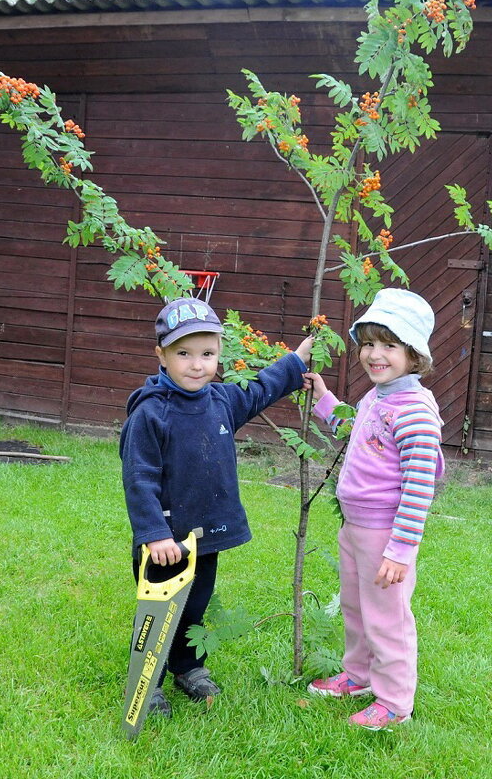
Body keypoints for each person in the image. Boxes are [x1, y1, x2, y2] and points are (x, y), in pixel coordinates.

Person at [120, 296, 312, 718]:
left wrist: (295, 362)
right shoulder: (151, 414)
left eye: (207, 354)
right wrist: (154, 535)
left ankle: (188, 667)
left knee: (196, 605)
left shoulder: (222, 399)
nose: (196, 364)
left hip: (204, 535)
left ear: (219, 354)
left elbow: (260, 390)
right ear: (162, 356)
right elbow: (139, 478)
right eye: (183, 354)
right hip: (165, 541)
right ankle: (146, 681)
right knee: (160, 610)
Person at [305, 288, 444, 731]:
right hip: (355, 529)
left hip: (386, 536)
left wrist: (400, 551)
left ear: (414, 355)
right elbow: (356, 431)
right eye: (368, 343)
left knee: (387, 618)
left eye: (389, 344)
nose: (374, 354)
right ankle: (359, 675)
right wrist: (326, 400)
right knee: (355, 607)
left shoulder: (415, 411)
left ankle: (395, 702)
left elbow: (419, 487)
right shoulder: (378, 396)